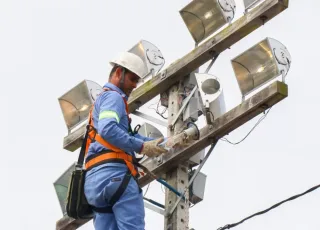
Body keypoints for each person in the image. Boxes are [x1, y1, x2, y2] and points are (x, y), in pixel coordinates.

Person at [84, 52, 168, 230]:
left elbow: (126, 135)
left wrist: (163, 143)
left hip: (94, 184)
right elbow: (108, 129)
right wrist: (142, 146)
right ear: (118, 72)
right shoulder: (113, 97)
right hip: (114, 176)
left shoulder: (101, 102)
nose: (134, 85)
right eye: (132, 79)